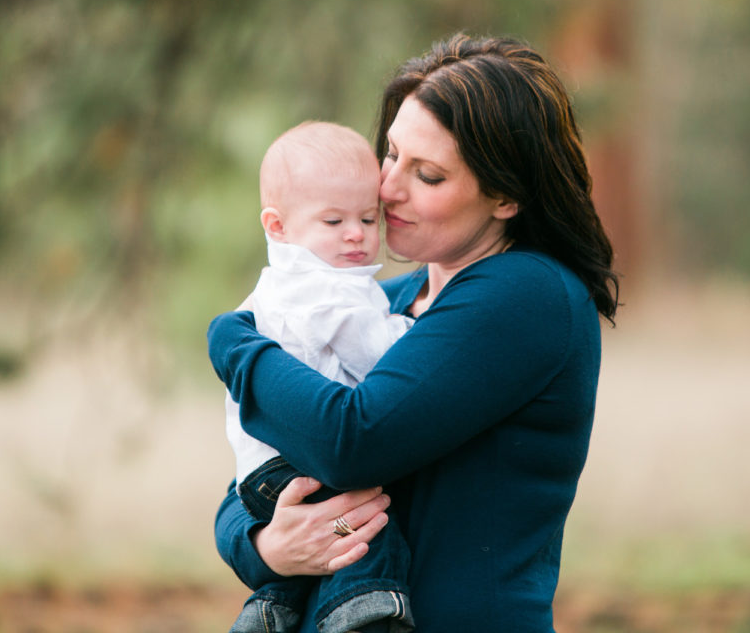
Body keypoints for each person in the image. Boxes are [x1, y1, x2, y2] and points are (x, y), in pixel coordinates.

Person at [209, 34, 619, 633]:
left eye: (427, 174)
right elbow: (250, 480)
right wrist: (270, 548)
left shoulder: (525, 295)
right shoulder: (383, 304)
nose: (389, 187)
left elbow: (351, 442)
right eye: (392, 154)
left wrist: (234, 346)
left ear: (505, 195)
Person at [224, 121, 416, 633]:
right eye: (333, 221)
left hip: (261, 473)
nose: (356, 233)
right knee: (368, 525)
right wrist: (418, 329)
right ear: (278, 225)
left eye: (367, 218)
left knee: (316, 547)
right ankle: (363, 612)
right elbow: (385, 359)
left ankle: (269, 611)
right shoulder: (327, 290)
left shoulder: (275, 288)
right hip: (298, 463)